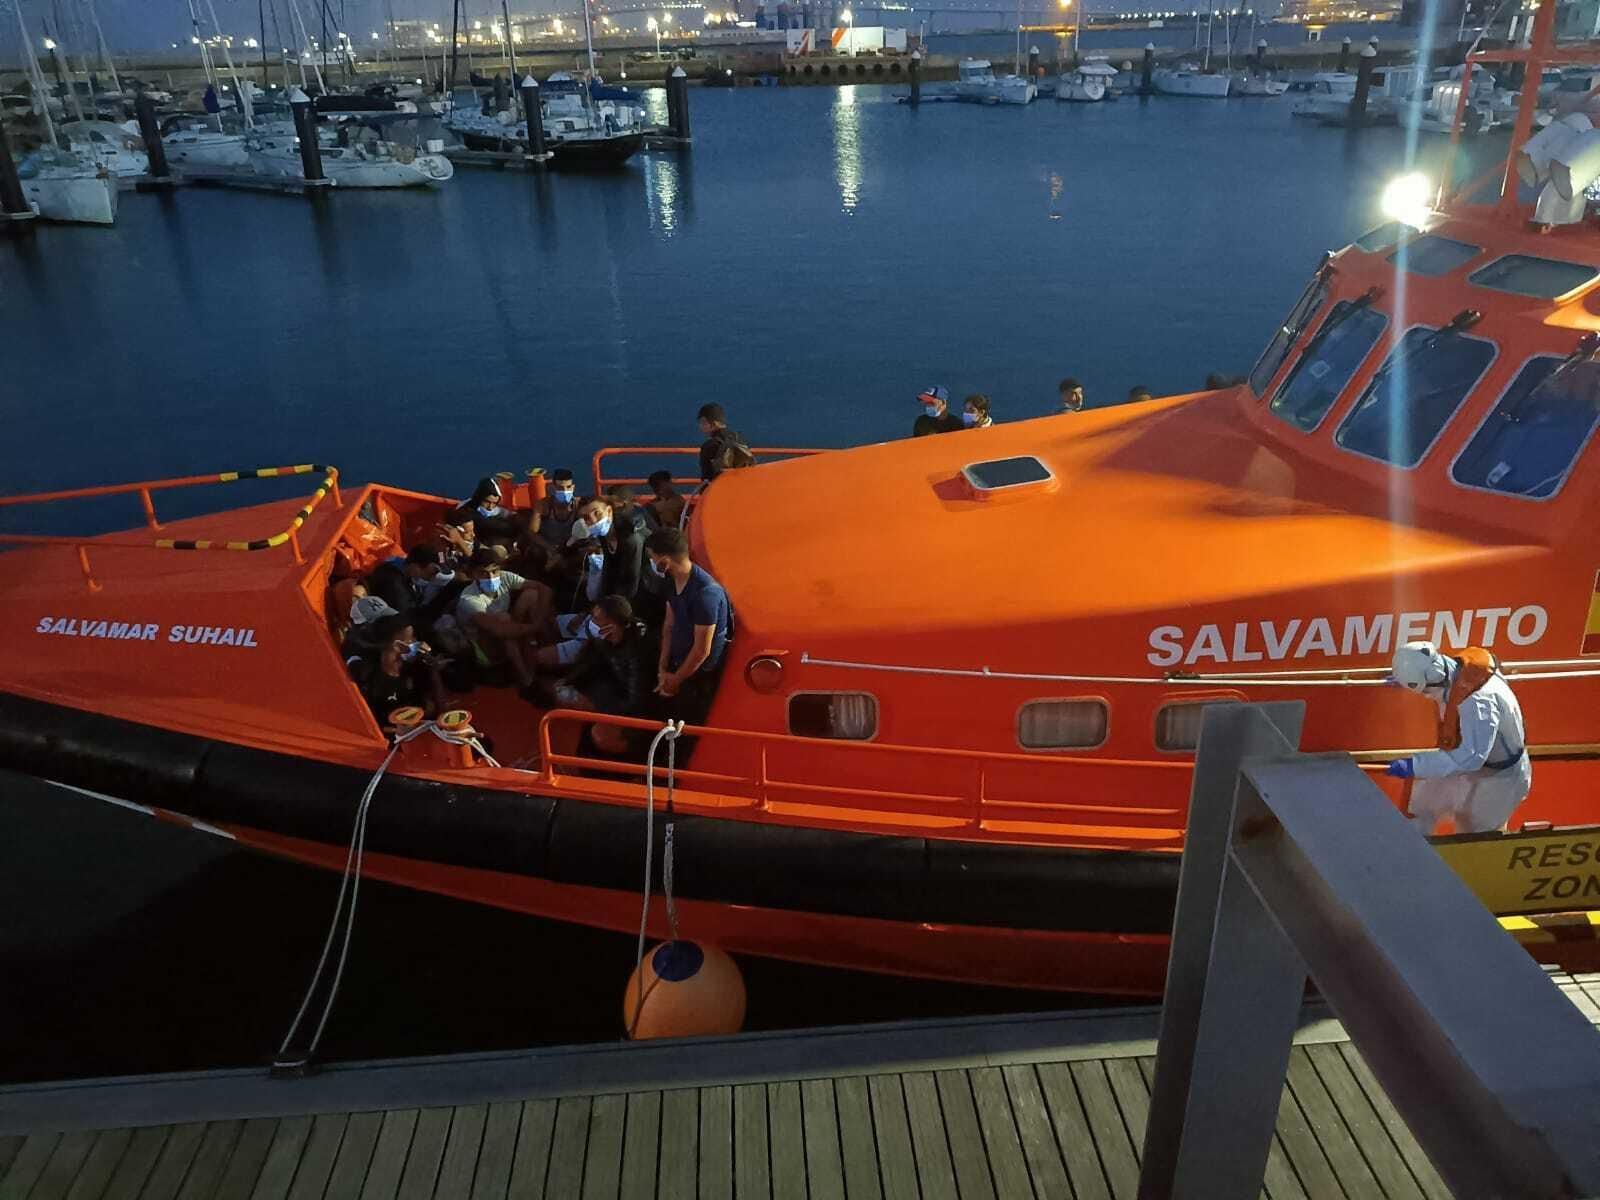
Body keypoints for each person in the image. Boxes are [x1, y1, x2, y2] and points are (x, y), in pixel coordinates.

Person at [1385, 641, 1531, 835]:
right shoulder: (1456, 671)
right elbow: (1443, 690)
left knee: (1474, 837)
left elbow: (1471, 757)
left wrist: (1415, 765)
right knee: (1419, 806)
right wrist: (1405, 680)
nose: (1426, 695)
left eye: (1424, 690)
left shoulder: (1478, 702)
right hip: (1467, 763)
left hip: (1498, 780)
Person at [646, 527, 732, 725]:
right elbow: (669, 625)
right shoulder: (671, 583)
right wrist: (662, 668)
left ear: (665, 561)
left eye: (653, 558)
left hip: (697, 676)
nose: (651, 563)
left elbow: (702, 649)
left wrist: (675, 680)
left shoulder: (705, 594)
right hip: (675, 665)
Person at [454, 547, 553, 689]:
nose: (491, 577)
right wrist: (533, 627)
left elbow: (545, 589)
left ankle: (545, 657)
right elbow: (499, 630)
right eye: (483, 573)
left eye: (494, 571)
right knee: (504, 620)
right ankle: (526, 680)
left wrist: (537, 621)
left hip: (507, 628)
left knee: (531, 595)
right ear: (474, 574)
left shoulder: (505, 577)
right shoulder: (469, 599)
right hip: (483, 647)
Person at [545, 595, 651, 717]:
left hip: (624, 708)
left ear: (613, 625)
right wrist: (569, 681)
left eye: (596, 619)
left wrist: (597, 707)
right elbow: (588, 663)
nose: (591, 622)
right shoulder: (601, 641)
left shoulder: (637, 653)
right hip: (606, 688)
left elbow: (634, 700)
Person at [351, 614, 447, 719]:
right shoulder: (371, 679)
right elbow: (376, 722)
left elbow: (439, 709)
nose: (418, 642)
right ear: (397, 646)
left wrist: (432, 669)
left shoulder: (414, 667)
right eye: (411, 639)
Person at [365, 545, 444, 626]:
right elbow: (404, 616)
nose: (431, 578)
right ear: (415, 566)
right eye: (431, 573)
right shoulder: (392, 580)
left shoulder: (406, 573)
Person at [697, 403, 752, 481]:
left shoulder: (709, 445)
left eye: (702, 422)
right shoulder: (739, 439)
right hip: (741, 486)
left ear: (713, 424)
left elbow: (706, 478)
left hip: (720, 489)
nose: (700, 426)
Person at [533, 469, 581, 551]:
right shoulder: (543, 505)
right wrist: (551, 549)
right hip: (547, 548)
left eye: (568, 487)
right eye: (560, 488)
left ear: (573, 487)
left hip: (570, 549)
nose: (565, 491)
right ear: (554, 488)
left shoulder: (579, 505)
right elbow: (532, 532)